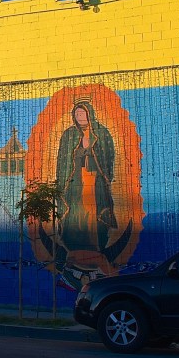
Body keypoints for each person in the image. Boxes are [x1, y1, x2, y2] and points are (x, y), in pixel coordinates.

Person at [56, 100, 117, 254]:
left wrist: (104, 173)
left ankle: (96, 244)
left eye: (82, 113)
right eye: (76, 114)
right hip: (75, 181)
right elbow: (63, 160)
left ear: (90, 113)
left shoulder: (102, 133)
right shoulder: (69, 135)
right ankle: (75, 245)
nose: (79, 116)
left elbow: (108, 156)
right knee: (76, 213)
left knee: (95, 212)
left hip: (95, 181)